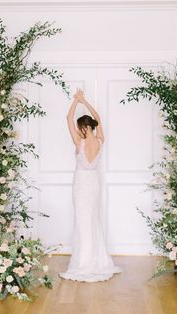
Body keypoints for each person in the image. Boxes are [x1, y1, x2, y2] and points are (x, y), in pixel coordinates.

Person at [59, 89, 121, 282]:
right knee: (92, 219)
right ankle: (96, 260)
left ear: (84, 128)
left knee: (83, 221)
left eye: (80, 127)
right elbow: (98, 117)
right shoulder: (100, 141)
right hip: (94, 183)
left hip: (81, 183)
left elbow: (68, 117)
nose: (78, 130)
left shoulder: (79, 142)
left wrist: (75, 101)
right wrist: (84, 101)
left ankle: (83, 263)